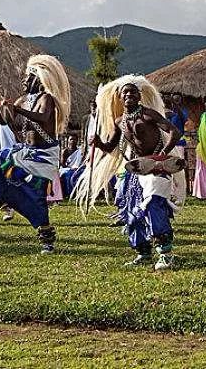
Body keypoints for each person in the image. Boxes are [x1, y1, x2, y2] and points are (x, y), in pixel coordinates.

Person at [0, 55, 71, 254]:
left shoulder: (46, 99)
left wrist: (18, 109)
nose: (24, 81)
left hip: (45, 155)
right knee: (2, 165)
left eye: (28, 77)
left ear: (38, 79)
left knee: (36, 194)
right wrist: (2, 112)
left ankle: (46, 239)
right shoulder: (22, 101)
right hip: (26, 153)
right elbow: (12, 126)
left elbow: (43, 117)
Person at [74, 75, 182, 270]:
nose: (129, 95)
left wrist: (161, 156)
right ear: (120, 98)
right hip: (136, 171)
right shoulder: (119, 122)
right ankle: (143, 252)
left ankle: (165, 254)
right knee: (131, 212)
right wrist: (98, 143)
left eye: (133, 92)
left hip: (156, 168)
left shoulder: (149, 114)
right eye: (125, 92)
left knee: (154, 205)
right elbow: (111, 147)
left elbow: (175, 132)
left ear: (139, 96)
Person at [59, 133, 84, 198]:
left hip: (77, 168)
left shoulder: (80, 151)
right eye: (71, 139)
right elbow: (62, 164)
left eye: (75, 139)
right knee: (69, 174)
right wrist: (71, 168)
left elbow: (81, 162)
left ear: (77, 141)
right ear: (68, 140)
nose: (73, 141)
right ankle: (69, 193)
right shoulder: (65, 151)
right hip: (66, 169)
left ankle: (79, 193)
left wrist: (76, 168)